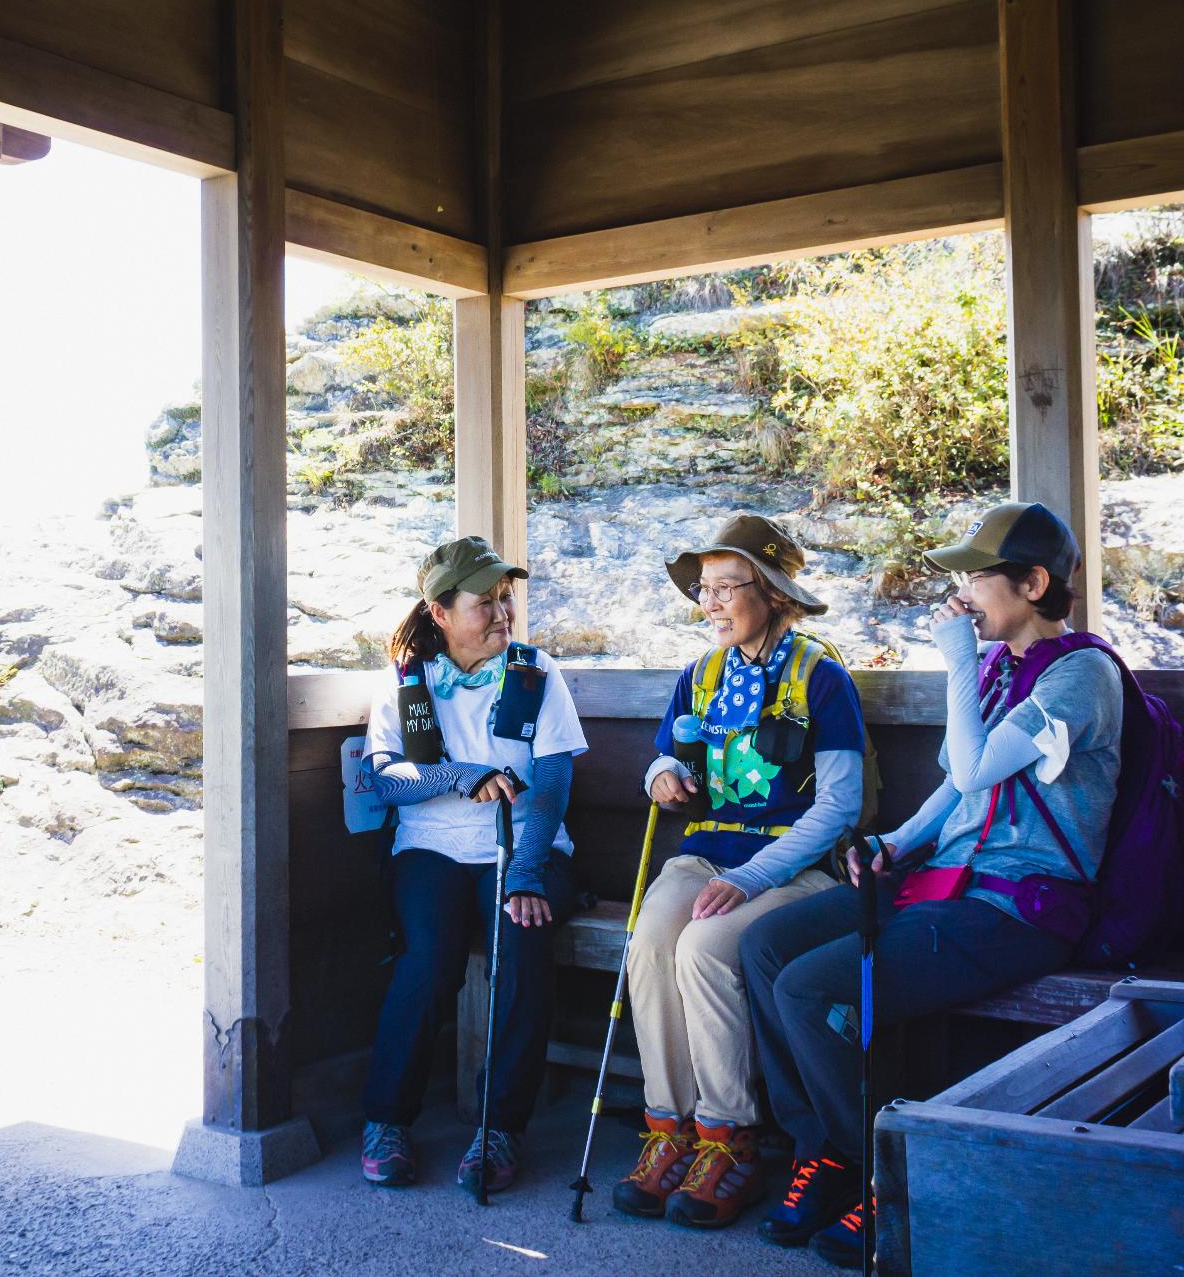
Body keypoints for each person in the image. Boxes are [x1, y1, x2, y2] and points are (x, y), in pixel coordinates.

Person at [738, 501, 1122, 1268]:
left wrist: (952, 658)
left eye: (978, 576)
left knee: (814, 988)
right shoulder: (996, 669)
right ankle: (830, 1151)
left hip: (1020, 903)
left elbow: (981, 766)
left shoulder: (1084, 674)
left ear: (1034, 582)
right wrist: (895, 843)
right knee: (764, 945)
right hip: (945, 880)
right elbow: (957, 788)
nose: (963, 592)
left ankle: (888, 1175)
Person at [612, 514, 867, 1230]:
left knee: (702, 946)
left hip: (794, 867)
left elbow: (841, 804)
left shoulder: (822, 676)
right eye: (704, 588)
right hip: (703, 857)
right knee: (652, 940)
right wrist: (661, 775)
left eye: (729, 587)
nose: (711, 603)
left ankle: (732, 1139)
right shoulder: (701, 675)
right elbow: (664, 756)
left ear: (776, 593)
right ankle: (671, 1129)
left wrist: (753, 877)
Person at [357, 536, 589, 1192]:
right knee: (428, 960)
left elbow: (550, 784)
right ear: (439, 612)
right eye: (482, 603)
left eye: (504, 598)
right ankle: (386, 1119)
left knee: (521, 940)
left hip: (527, 849)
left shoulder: (533, 672)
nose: (501, 613)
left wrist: (521, 872)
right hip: (431, 849)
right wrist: (459, 773)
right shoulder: (409, 682)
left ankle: (500, 1127)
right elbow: (386, 780)